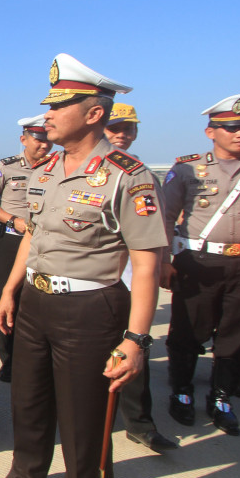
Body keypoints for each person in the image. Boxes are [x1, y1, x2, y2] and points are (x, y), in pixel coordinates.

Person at [0, 53, 166, 478]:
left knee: (86, 420)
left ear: (92, 113)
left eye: (59, 106)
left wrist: (136, 340)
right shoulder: (47, 170)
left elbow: (147, 266)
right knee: (29, 400)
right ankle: (26, 477)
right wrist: (13, 290)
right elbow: (33, 238)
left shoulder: (128, 177)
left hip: (91, 307)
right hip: (37, 300)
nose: (48, 117)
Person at [161, 94, 240, 436]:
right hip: (198, 261)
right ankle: (182, 392)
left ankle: (222, 397)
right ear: (211, 132)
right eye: (231, 128)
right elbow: (166, 217)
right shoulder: (187, 168)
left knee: (238, 335)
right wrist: (164, 261)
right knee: (188, 331)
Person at [101, 104, 179, 453]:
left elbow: (159, 225)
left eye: (128, 128)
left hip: (132, 278)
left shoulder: (141, 174)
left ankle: (139, 424)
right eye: (115, 127)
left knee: (132, 350)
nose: (121, 134)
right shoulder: (70, 170)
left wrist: (164, 261)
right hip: (88, 282)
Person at [0, 115, 53, 383]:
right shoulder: (6, 167)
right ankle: (10, 360)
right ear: (23, 139)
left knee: (42, 300)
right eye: (39, 140)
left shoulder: (56, 168)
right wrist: (12, 220)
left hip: (46, 244)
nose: (44, 146)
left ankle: (40, 357)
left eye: (48, 140)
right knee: (9, 297)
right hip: (13, 241)